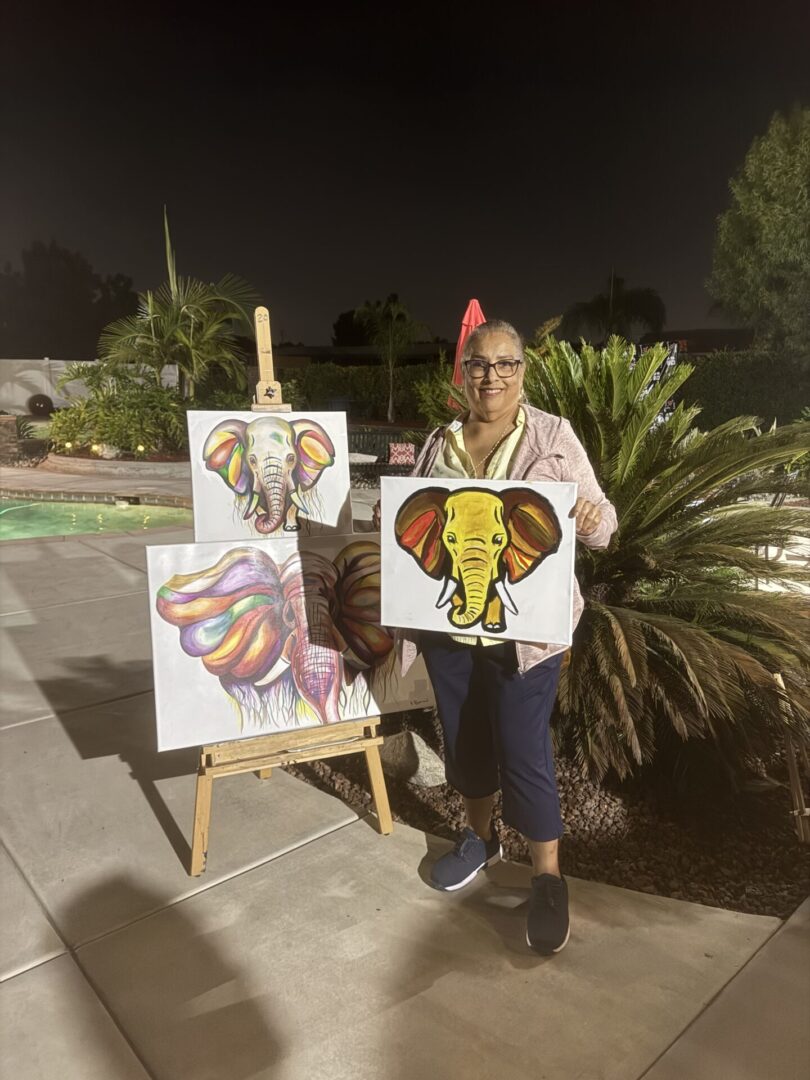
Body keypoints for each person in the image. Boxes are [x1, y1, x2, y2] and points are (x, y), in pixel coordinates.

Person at [376, 319, 617, 955]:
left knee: (523, 746)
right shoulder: (439, 441)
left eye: (505, 365)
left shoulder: (552, 437)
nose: (491, 377)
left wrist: (591, 518)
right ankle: (479, 838)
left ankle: (547, 876)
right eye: (479, 365)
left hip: (527, 639)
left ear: (523, 370)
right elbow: (408, 520)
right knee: (465, 739)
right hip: (450, 630)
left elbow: (604, 524)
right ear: (464, 372)